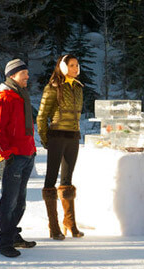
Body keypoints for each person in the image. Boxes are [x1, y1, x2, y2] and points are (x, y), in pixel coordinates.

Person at [0, 59, 37, 257]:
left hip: (26, 154)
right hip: (12, 157)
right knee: (9, 201)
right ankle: (5, 243)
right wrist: (7, 154)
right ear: (12, 75)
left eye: (26, 72)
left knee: (20, 202)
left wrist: (32, 150)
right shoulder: (4, 97)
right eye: (23, 73)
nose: (27, 76)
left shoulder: (20, 95)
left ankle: (13, 235)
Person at [37, 54, 84, 240]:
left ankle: (69, 222)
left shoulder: (79, 88)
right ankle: (53, 225)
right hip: (56, 136)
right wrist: (45, 138)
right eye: (71, 65)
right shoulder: (53, 87)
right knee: (50, 181)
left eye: (76, 65)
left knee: (67, 180)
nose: (75, 68)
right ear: (63, 67)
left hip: (73, 137)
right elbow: (42, 116)